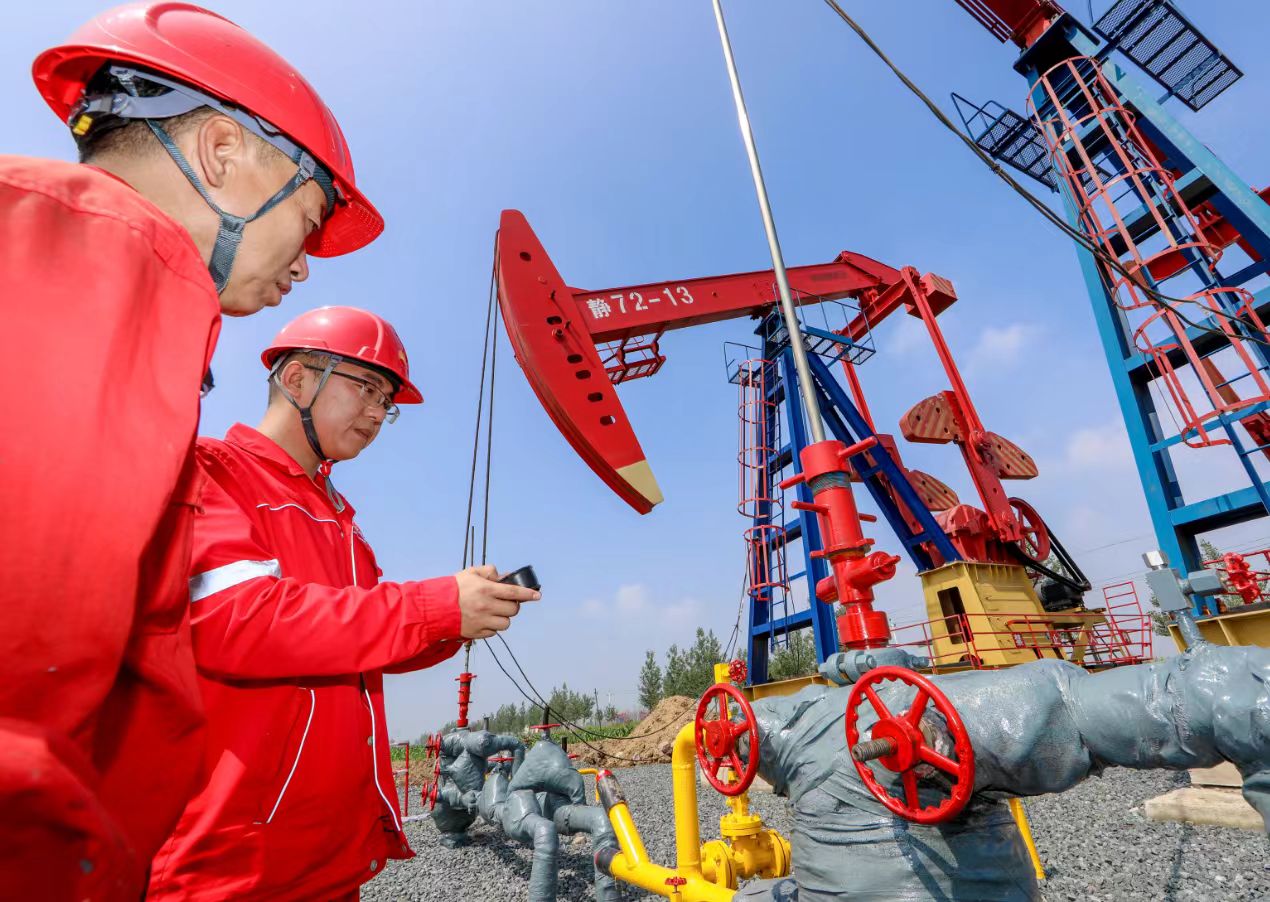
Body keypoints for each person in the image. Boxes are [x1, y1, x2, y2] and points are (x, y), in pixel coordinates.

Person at [0, 3, 383, 897]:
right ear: (221, 153)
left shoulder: (131, 297)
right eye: (310, 216)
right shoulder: (65, 255)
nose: (306, 263)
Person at [147, 306, 538, 900]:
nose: (379, 413)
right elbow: (242, 619)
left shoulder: (341, 525)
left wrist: (462, 618)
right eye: (368, 389)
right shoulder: (211, 472)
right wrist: (435, 606)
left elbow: (364, 646)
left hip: (331, 856)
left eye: (388, 402)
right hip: (234, 866)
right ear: (297, 379)